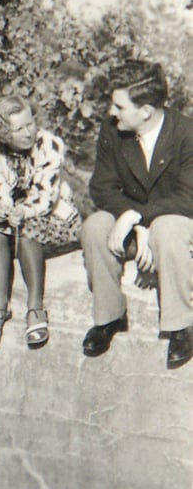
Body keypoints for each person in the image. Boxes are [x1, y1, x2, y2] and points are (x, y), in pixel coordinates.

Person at [81, 60, 193, 369]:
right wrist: (133, 218)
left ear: (145, 111)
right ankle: (109, 318)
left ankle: (180, 325)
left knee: (168, 230)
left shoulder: (186, 134)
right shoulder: (112, 131)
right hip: (131, 222)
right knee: (94, 226)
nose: (111, 111)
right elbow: (101, 188)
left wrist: (141, 219)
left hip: (175, 220)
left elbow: (188, 198)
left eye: (119, 105)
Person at [0, 96, 82, 350]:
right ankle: (0, 307)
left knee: (27, 231)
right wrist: (3, 208)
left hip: (50, 214)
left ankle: (35, 309)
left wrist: (23, 211)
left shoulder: (50, 145)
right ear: (3, 132)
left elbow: (45, 197)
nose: (28, 132)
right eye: (19, 129)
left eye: (30, 124)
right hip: (12, 213)